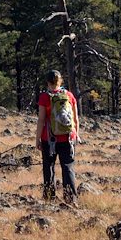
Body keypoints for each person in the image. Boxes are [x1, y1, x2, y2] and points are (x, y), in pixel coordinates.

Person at [35, 69, 79, 204]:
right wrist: (76, 134)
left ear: (48, 82)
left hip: (49, 138)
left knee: (49, 167)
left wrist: (37, 139)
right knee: (68, 167)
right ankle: (71, 199)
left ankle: (49, 197)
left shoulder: (44, 97)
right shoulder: (69, 96)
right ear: (61, 81)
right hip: (68, 137)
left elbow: (41, 119)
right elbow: (75, 118)